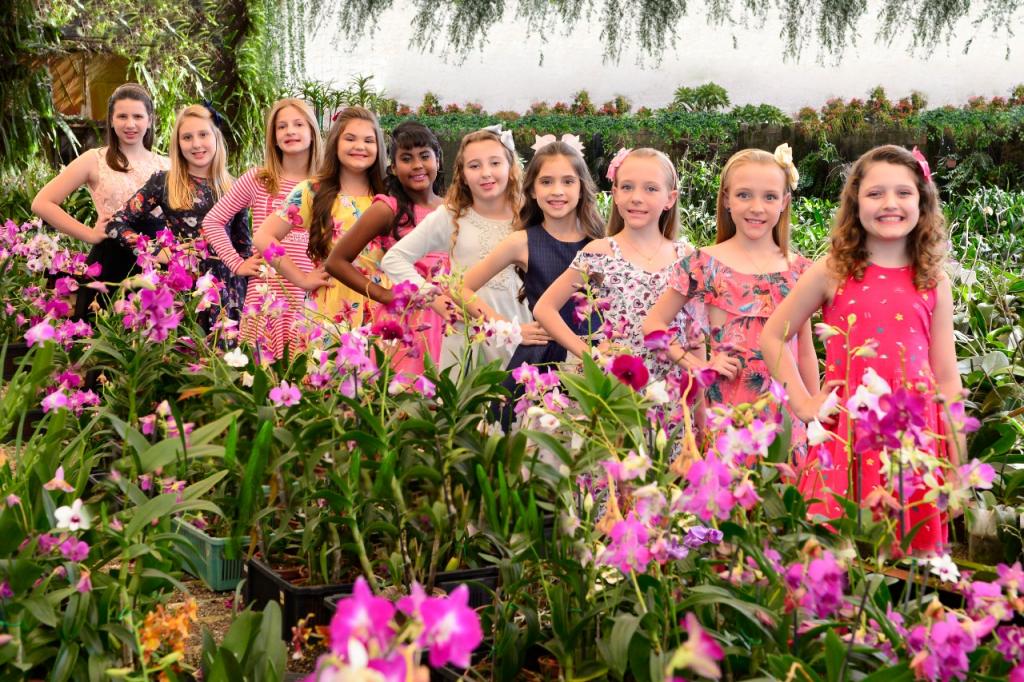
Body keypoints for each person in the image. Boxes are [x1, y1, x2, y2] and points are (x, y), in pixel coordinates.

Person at [760, 144, 962, 554]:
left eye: (903, 193)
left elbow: (947, 377)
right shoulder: (832, 271)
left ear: (922, 202)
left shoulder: (933, 280)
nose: (890, 203)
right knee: (840, 556)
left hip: (915, 438)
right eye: (875, 193)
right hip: (849, 433)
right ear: (855, 203)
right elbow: (773, 336)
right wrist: (804, 403)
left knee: (910, 564)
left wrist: (956, 466)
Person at [643, 145, 816, 450]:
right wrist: (697, 365)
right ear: (726, 199)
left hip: (788, 416)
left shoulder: (801, 271)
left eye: (770, 197)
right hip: (729, 415)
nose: (757, 207)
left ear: (784, 202)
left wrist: (814, 417)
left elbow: (805, 351)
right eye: (744, 195)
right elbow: (653, 325)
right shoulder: (703, 264)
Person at [534, 147, 703, 381]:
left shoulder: (686, 257)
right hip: (618, 387)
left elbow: (696, 332)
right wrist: (590, 354)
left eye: (651, 188)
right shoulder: (600, 252)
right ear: (615, 193)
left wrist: (701, 396)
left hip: (674, 388)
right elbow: (544, 308)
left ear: (670, 198)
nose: (636, 197)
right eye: (627, 187)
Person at [380, 127, 533, 369]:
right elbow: (394, 259)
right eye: (474, 166)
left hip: (521, 331)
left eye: (495, 163)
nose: (486, 173)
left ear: (510, 166)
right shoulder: (452, 216)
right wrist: (434, 298)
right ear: (462, 173)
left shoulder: (529, 215)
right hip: (469, 338)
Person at [104, 104, 248, 331]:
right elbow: (116, 223)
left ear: (216, 138)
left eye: (203, 134)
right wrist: (156, 251)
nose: (196, 144)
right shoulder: (164, 182)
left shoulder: (236, 186)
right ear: (178, 144)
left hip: (228, 292)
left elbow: (244, 247)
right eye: (187, 137)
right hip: (184, 285)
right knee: (185, 347)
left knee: (223, 350)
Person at [31, 83, 168, 314]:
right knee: (100, 332)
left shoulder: (168, 165)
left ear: (150, 120)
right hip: (109, 265)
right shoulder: (94, 159)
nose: (130, 124)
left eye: (138, 116)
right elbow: (42, 203)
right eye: (122, 116)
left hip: (155, 268)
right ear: (111, 120)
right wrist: (89, 234)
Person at [201, 98, 322, 359]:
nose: (290, 131)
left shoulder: (325, 185)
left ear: (313, 131)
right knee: (262, 373)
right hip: (265, 297)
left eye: (298, 124)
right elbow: (212, 221)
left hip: (309, 295)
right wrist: (237, 264)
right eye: (281, 126)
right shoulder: (260, 180)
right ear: (273, 137)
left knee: (306, 372)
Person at [324, 121, 446, 372]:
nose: (417, 165)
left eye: (425, 156)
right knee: (404, 390)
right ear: (394, 167)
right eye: (406, 158)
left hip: (446, 318)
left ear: (438, 160)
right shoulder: (387, 209)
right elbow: (336, 262)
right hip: (406, 322)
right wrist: (382, 295)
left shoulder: (452, 209)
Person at [255, 106, 385, 332]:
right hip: (330, 309)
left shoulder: (389, 195)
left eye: (368, 140)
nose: (359, 146)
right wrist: (301, 279)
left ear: (379, 147)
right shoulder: (312, 191)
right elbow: (263, 237)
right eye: (350, 138)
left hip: (381, 305)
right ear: (335, 143)